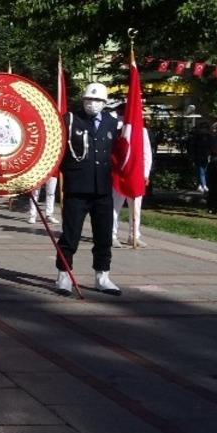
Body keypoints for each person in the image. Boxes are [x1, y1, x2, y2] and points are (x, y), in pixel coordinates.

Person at [54, 82, 121, 297]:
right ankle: (64, 274)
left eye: (97, 100)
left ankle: (102, 275)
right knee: (70, 234)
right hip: (77, 186)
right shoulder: (70, 119)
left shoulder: (111, 122)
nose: (92, 104)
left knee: (104, 235)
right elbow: (60, 149)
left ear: (105, 103)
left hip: (102, 188)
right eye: (89, 100)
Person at [111, 125, 153, 247]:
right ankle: (111, 234)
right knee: (114, 206)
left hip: (135, 174)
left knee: (135, 207)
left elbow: (146, 153)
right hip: (119, 174)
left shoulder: (141, 130)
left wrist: (145, 174)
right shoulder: (117, 127)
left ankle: (134, 235)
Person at [187, 121, 212, 193]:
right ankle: (203, 185)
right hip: (200, 156)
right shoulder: (197, 137)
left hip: (203, 156)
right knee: (202, 171)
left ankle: (202, 185)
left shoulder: (199, 137)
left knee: (203, 171)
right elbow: (192, 147)